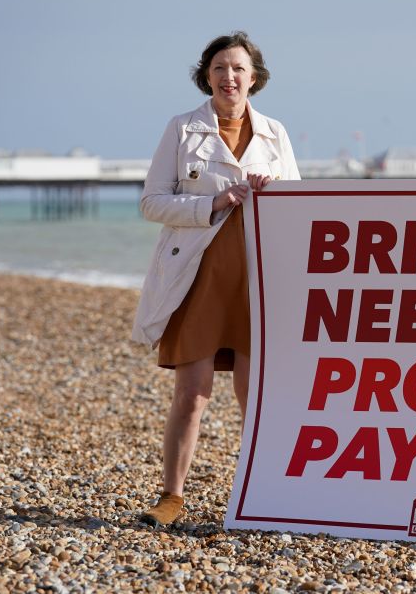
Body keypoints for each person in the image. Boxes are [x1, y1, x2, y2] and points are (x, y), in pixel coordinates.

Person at [131, 31, 300, 527]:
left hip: (258, 282)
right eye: (220, 67)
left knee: (257, 397)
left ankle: (266, 495)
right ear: (207, 74)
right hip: (198, 279)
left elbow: (300, 208)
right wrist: (215, 202)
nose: (230, 77)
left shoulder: (276, 133)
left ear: (255, 78)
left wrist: (273, 194)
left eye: (239, 68)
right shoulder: (183, 129)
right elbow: (151, 202)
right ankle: (171, 498)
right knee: (193, 394)